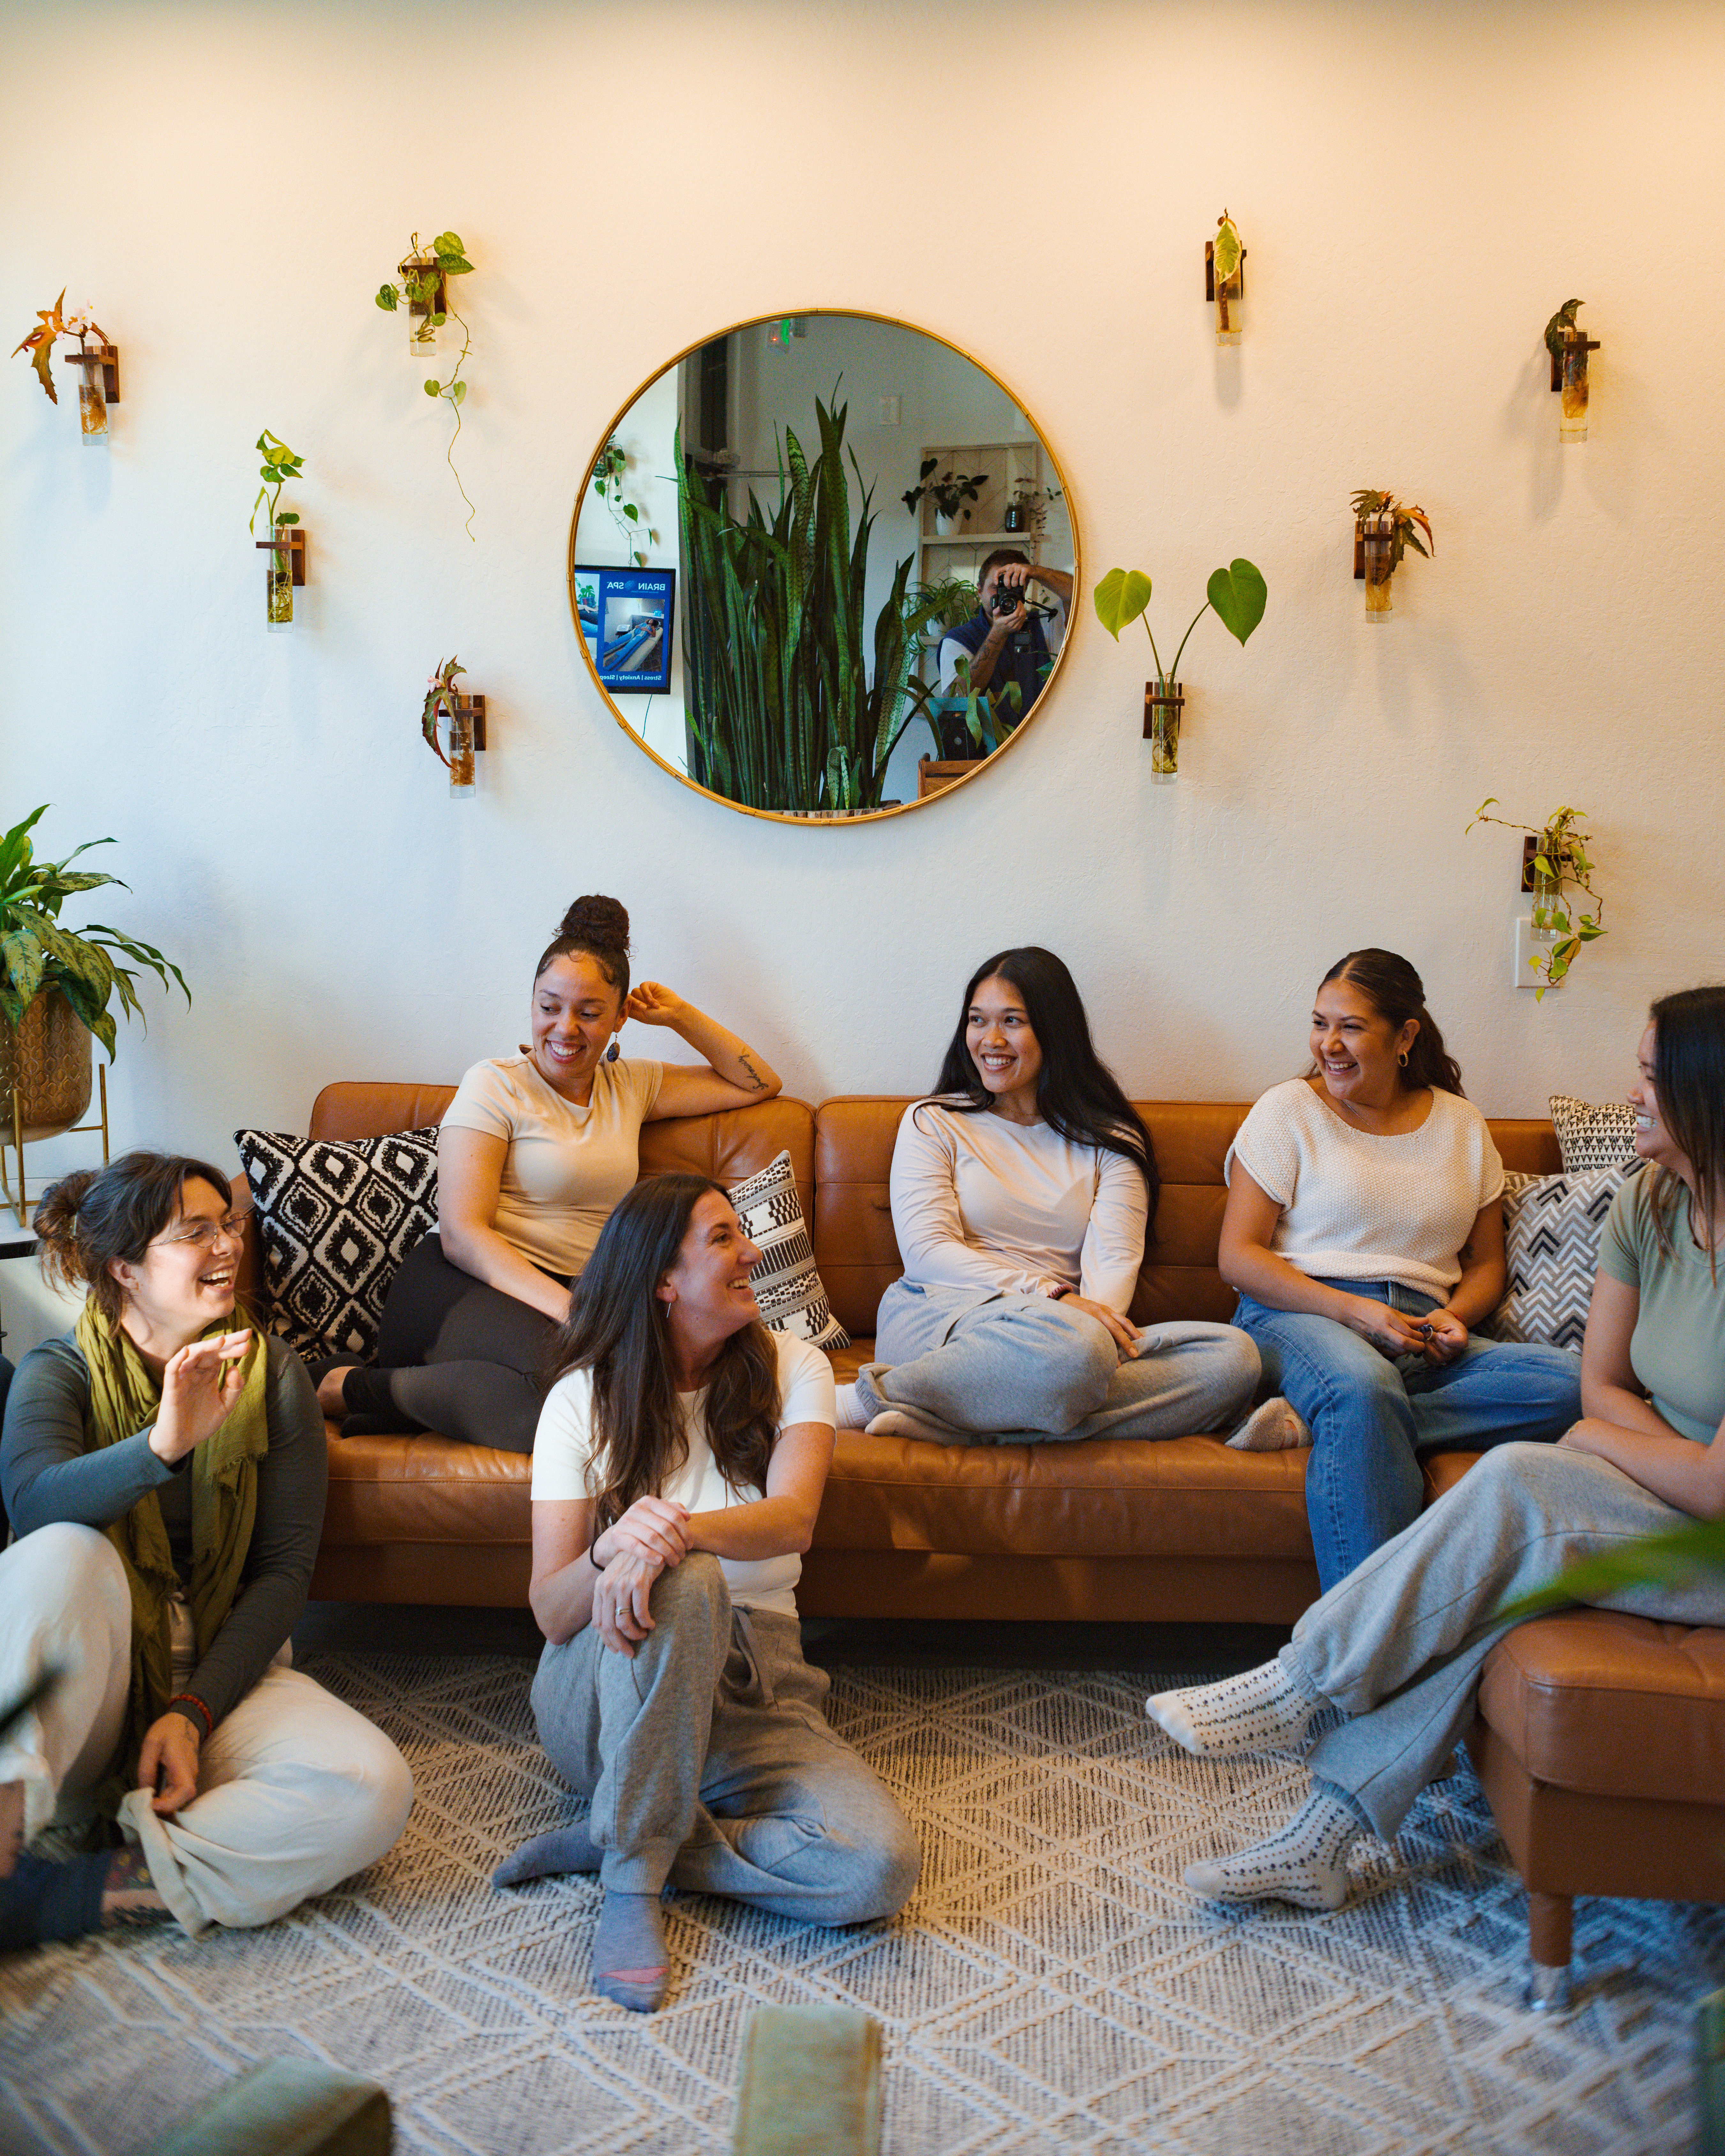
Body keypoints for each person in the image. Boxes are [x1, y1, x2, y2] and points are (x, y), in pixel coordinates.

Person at [1148, 986, 1725, 1914]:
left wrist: (1604, 1438)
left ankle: (1309, 1679)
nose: (1631, 1094)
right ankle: (1319, 1841)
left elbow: (1707, 1481)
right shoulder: (1652, 1201)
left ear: (1711, 1094)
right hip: (1661, 1490)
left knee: (1518, 1484)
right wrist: (1613, 1434)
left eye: (1652, 1077)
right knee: (1494, 1585)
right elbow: (1599, 1389)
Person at [491, 1174, 919, 2012]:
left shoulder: (792, 1366)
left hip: (757, 1691)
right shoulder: (579, 1398)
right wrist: (619, 1545)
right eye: (724, 1237)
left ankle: (621, 1828)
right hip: (606, 1690)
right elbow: (550, 1609)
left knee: (874, 1869)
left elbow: (793, 1521)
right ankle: (631, 1886)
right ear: (661, 1278)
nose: (753, 1251)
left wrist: (675, 1526)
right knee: (677, 1582)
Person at [0, 1153, 412, 1946]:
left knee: (370, 1791)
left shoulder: (273, 1373)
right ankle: (6, 1846)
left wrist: (192, 1711)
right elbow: (33, 1502)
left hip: (223, 1673)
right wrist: (162, 1445)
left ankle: (77, 1895)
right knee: (65, 1555)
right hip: (97, 1681)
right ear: (126, 1268)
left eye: (228, 1224)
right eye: (196, 1232)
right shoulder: (59, 1372)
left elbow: (286, 1573)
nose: (227, 1245)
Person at [316, 895, 784, 1452]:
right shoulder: (495, 1084)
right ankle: (351, 1387)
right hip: (463, 1286)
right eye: (548, 1007)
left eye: (589, 1013)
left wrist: (680, 1015)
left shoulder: (630, 1086)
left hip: (571, 1294)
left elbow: (756, 1083)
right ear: (531, 1005)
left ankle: (400, 1402)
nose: (565, 1028)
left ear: (618, 1020)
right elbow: (464, 1235)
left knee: (612, 1396)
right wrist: (574, 1311)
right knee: (560, 1407)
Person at [1219, 948, 1583, 1591]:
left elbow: (1484, 1263)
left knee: (1572, 1385)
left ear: (1404, 1034)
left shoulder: (1461, 1124)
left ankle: (1324, 1417)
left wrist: (1455, 1315)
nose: (1327, 1044)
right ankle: (1363, 1654)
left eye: (1350, 1026)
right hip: (1299, 1312)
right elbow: (1239, 1256)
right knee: (1361, 1384)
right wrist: (1355, 1310)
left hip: (1421, 1333)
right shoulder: (1286, 1110)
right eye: (1318, 1022)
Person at [846, 947, 1271, 1447]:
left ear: (1055, 1030)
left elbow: (1112, 1268)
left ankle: (946, 1421)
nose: (991, 1039)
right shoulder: (934, 1122)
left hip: (1061, 1334)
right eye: (978, 1021)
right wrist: (1052, 1295)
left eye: (1013, 1021)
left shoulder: (1111, 1141)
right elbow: (927, 1254)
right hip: (943, 1311)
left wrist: (1080, 1327)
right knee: (1073, 1353)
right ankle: (879, 1398)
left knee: (1235, 1358)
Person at [938, 551, 1073, 732]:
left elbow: (1079, 595)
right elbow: (957, 697)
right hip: (987, 752)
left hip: (1041, 742)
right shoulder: (957, 639)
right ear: (979, 590)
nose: (1004, 596)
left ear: (1025, 591)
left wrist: (1034, 572)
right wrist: (998, 634)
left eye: (1014, 589)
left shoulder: (1042, 623)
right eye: (996, 588)